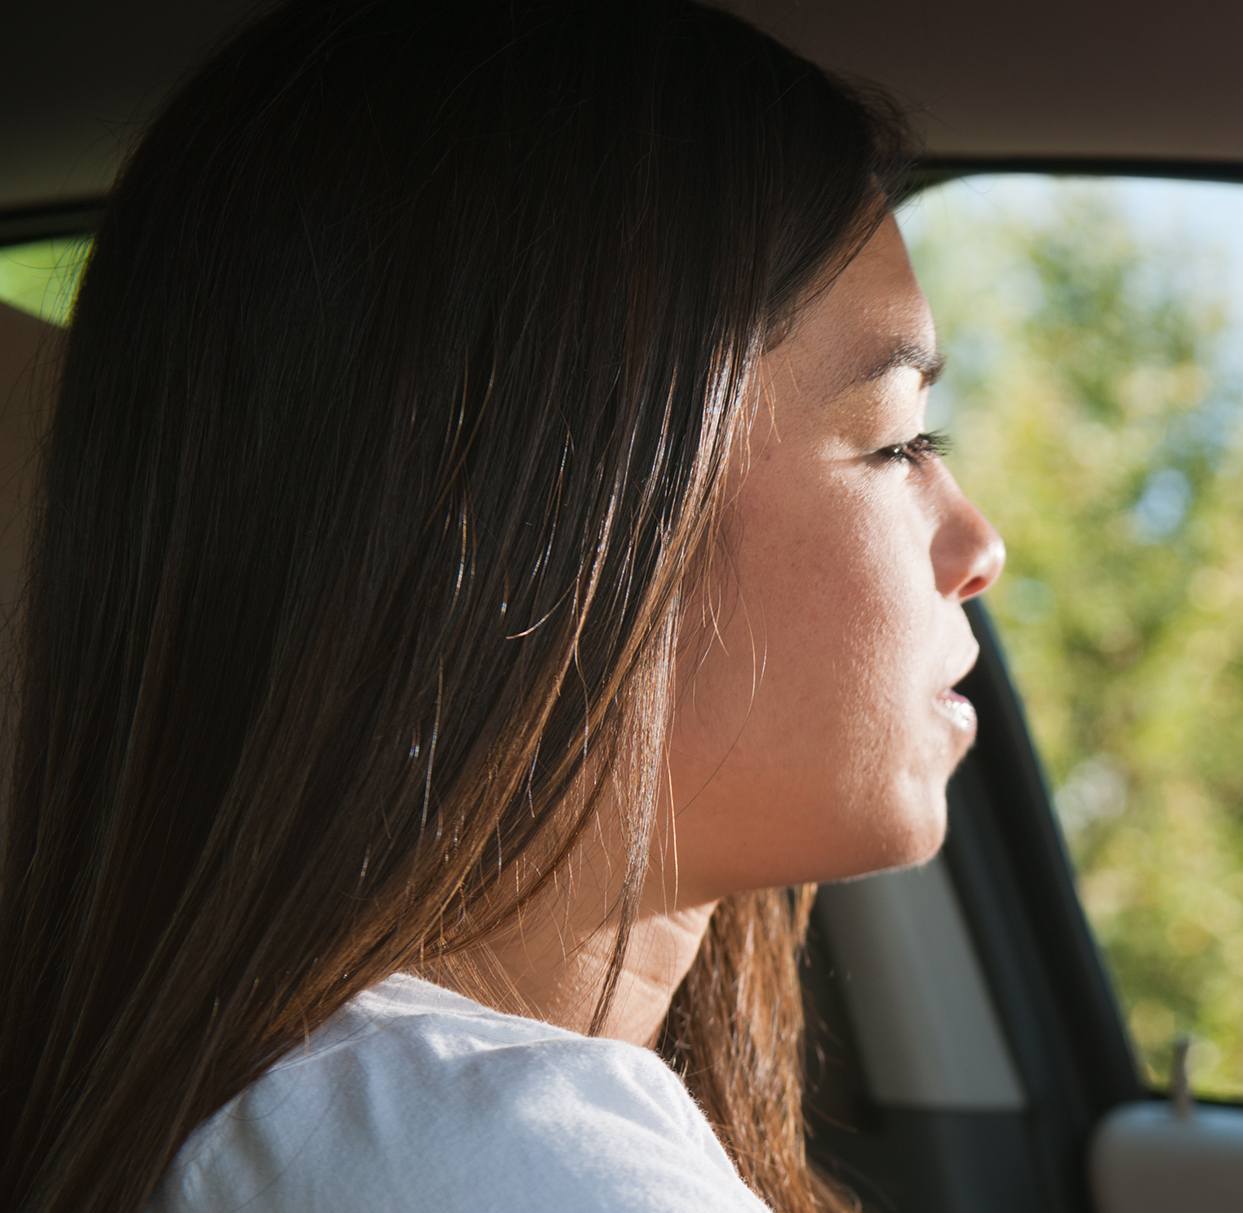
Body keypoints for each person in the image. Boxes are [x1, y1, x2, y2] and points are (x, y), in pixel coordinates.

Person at [0, 3, 1002, 1210]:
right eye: (899, 441)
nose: (978, 545)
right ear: (554, 519)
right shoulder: (500, 1159)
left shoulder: (323, 1120)